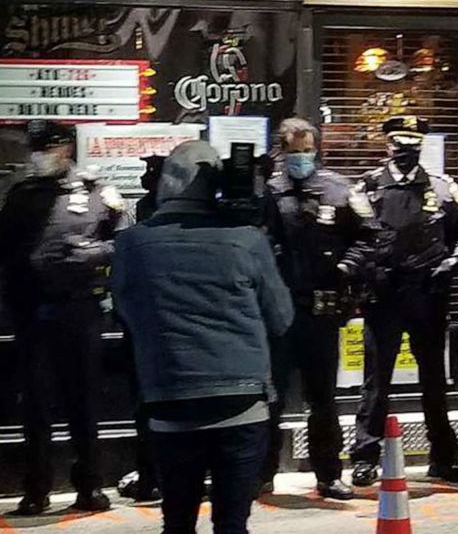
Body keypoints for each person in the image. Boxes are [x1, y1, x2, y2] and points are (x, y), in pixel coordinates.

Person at [112, 141, 293, 534]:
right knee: (232, 523)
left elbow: (127, 313)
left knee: (177, 523)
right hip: (242, 399)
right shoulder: (246, 240)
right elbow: (281, 318)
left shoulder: (131, 244)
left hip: (169, 398)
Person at [0, 120, 122, 515]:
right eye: (35, 148)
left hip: (79, 309)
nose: (38, 155)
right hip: (32, 313)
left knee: (83, 404)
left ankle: (90, 487)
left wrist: (94, 255)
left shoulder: (100, 194)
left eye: (45, 147)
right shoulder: (21, 195)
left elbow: (124, 241)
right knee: (36, 407)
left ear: (65, 149)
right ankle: (36, 490)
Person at [350, 115, 458, 487]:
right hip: (384, 296)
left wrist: (454, 262)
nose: (405, 151)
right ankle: (365, 458)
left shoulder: (443, 187)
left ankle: (443, 458)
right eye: (399, 143)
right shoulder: (368, 188)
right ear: (387, 144)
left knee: (434, 381)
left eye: (412, 144)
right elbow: (353, 239)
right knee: (376, 383)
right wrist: (365, 271)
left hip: (428, 294)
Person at [260, 118, 375, 500]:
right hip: (275, 309)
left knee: (322, 397)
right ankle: (262, 473)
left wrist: (345, 268)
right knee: (269, 396)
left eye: (307, 150)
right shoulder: (267, 191)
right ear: (281, 152)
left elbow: (369, 236)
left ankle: (328, 474)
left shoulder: (339, 189)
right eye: (293, 151)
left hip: (321, 309)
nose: (301, 158)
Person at [116, 154, 166, 503]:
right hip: (151, 326)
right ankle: (152, 475)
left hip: (152, 326)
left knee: (151, 407)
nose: (147, 178)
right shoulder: (145, 211)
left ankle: (153, 475)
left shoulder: (151, 213)